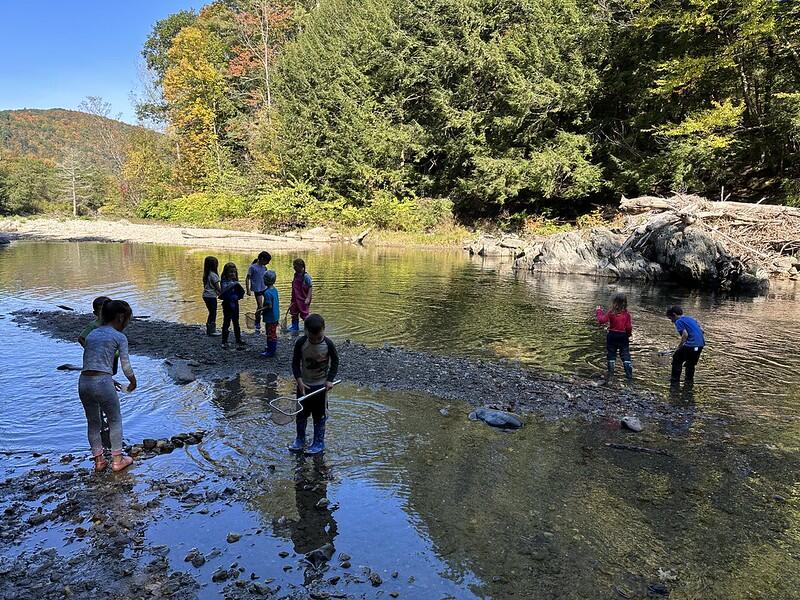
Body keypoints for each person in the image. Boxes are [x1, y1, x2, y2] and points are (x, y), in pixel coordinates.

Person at [79, 300, 137, 472]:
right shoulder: (119, 337)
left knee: (93, 422)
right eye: (127, 319)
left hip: (84, 381)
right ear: (120, 318)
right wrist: (133, 381)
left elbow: (93, 363)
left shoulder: (92, 334)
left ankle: (99, 461)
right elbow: (125, 365)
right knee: (114, 419)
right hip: (103, 382)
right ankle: (118, 460)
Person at [289, 314, 339, 455]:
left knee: (319, 416)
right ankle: (300, 439)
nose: (316, 340)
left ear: (324, 329)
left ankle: (318, 442)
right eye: (312, 338)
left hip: (320, 387)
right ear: (305, 331)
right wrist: (299, 381)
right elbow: (295, 363)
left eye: (319, 337)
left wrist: (330, 379)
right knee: (301, 415)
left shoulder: (328, 344)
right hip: (304, 385)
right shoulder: (301, 343)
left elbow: (335, 362)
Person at [596, 293, 633, 379]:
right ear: (625, 303)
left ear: (614, 302)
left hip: (612, 335)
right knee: (625, 354)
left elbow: (601, 320)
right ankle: (629, 374)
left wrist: (599, 311)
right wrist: (628, 335)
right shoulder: (627, 314)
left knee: (611, 354)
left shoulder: (611, 313)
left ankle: (611, 373)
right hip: (623, 336)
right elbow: (628, 327)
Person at [666, 305, 705, 385]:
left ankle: (675, 382)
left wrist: (679, 347)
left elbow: (685, 335)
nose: (671, 321)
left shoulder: (679, 321)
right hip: (700, 345)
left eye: (671, 318)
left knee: (677, 358)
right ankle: (689, 382)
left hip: (691, 345)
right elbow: (702, 330)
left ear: (674, 315)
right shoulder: (691, 319)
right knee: (691, 364)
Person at [220, 262, 246, 346]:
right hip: (227, 304)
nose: (232, 274)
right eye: (230, 272)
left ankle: (238, 339)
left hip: (235, 303)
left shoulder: (235, 281)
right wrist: (233, 284)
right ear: (226, 273)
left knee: (236, 322)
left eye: (234, 272)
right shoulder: (224, 281)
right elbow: (224, 289)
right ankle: (224, 341)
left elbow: (240, 292)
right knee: (226, 322)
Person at [246, 251, 271, 333]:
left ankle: (267, 319)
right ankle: (257, 323)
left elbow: (266, 277)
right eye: (267, 261)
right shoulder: (252, 267)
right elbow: (247, 278)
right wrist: (248, 289)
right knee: (260, 306)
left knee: (268, 304)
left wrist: (269, 287)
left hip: (265, 288)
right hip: (257, 289)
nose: (268, 263)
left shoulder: (264, 268)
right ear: (262, 259)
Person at [288, 258, 313, 333]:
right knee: (294, 313)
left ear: (301, 266)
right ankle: (295, 327)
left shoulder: (306, 276)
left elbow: (310, 287)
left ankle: (309, 328)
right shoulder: (295, 275)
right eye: (293, 266)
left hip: (303, 299)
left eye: (295, 266)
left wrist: (308, 298)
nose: (294, 268)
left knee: (304, 314)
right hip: (295, 298)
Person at [259, 270, 280, 358]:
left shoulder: (267, 293)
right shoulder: (274, 290)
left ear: (265, 280)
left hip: (270, 317)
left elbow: (269, 306)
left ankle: (271, 351)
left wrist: (260, 310)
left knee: (271, 334)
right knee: (271, 332)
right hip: (275, 315)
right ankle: (270, 348)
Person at [202, 256, 222, 336]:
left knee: (211, 312)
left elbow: (207, 286)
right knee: (213, 312)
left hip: (205, 295)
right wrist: (223, 294)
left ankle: (209, 329)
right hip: (211, 296)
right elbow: (218, 288)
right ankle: (212, 330)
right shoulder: (214, 275)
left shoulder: (206, 275)